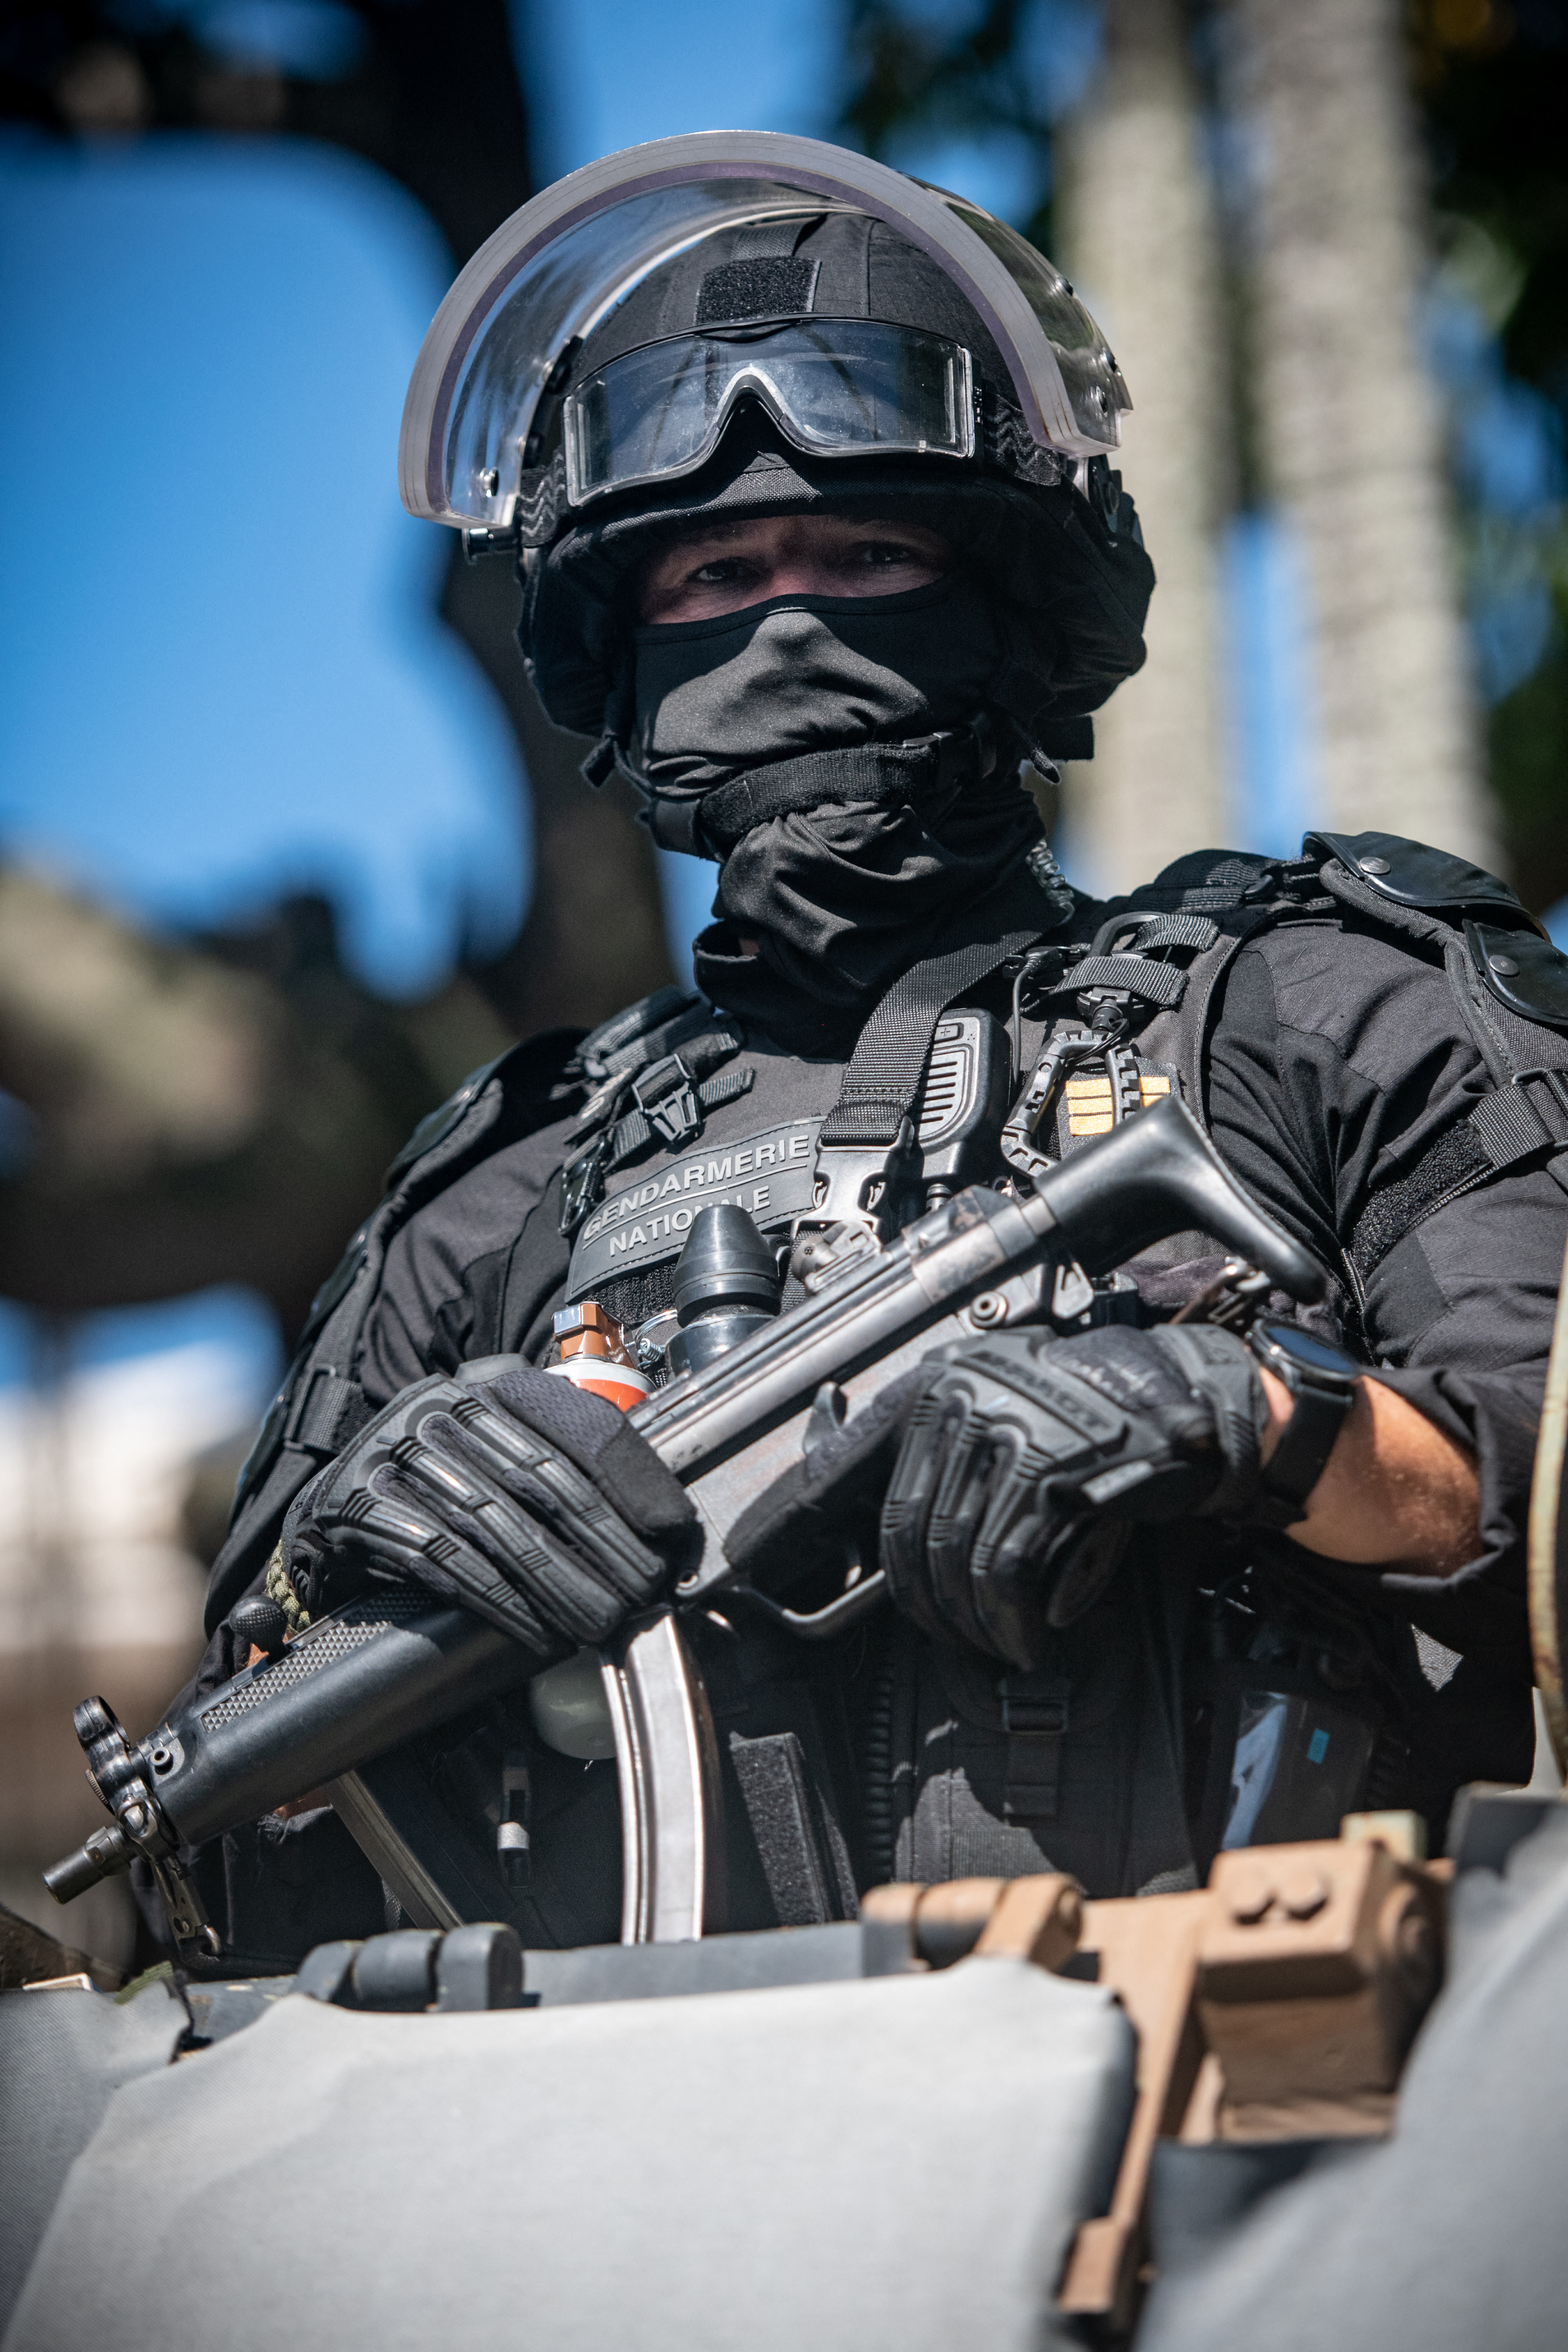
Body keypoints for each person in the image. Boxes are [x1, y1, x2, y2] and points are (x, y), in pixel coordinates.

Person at [174, 135, 1567, 1967]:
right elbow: (216, 1855)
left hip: (1251, 2118)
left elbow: (1523, 1472)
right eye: (715, 572)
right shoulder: (504, 1187)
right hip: (595, 2166)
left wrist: (1246, 1413)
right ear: (623, 639)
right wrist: (358, 1543)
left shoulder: (1325, 999)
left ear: (1004, 591)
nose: (789, 613)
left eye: (868, 548)